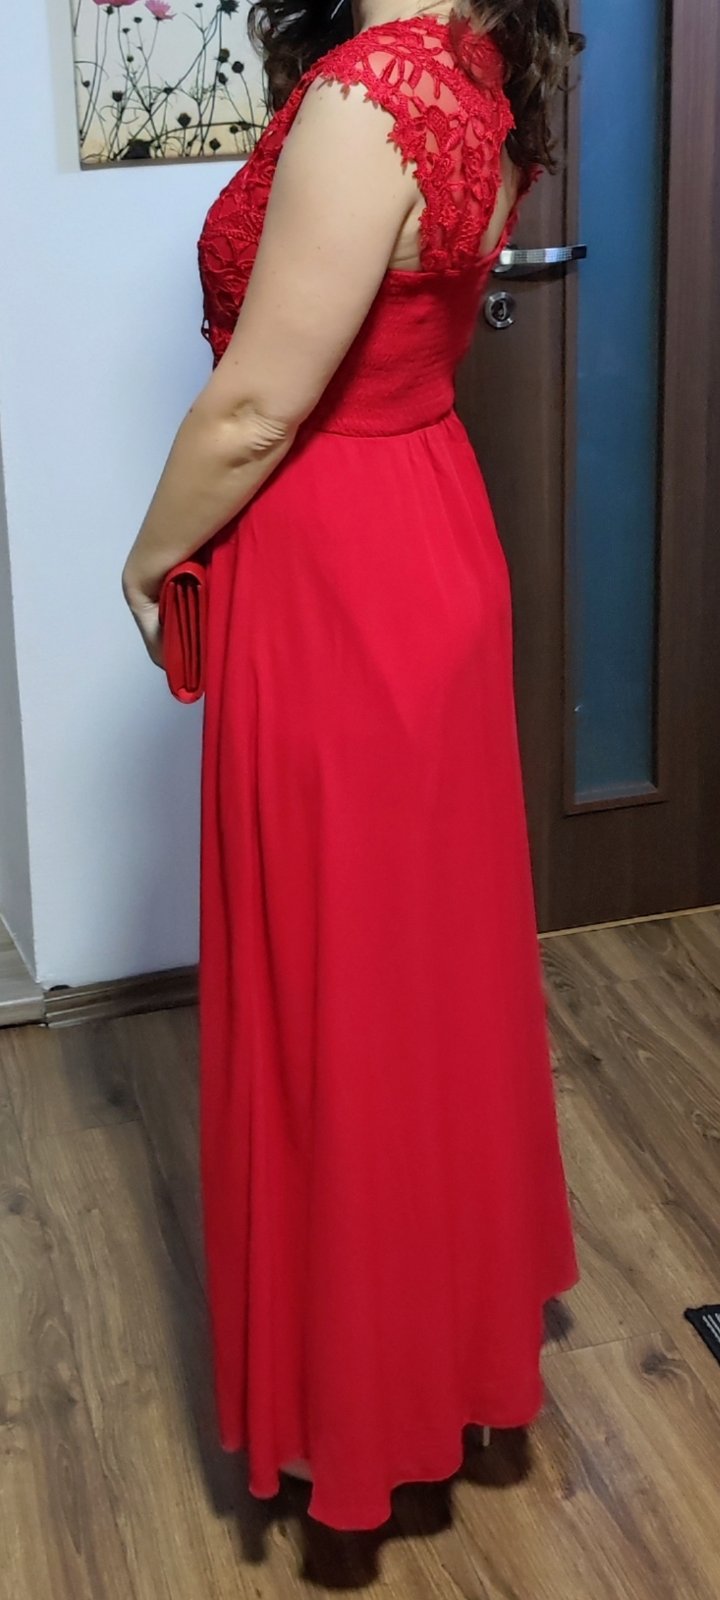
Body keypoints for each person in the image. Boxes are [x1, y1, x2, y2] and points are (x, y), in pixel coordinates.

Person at [121, 0, 582, 1533]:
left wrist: (148, 558)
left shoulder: (367, 91)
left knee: (342, 987)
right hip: (427, 525)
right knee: (420, 979)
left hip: (337, 563)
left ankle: (359, 1396)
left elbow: (260, 406)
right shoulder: (476, 67)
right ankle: (436, 1348)